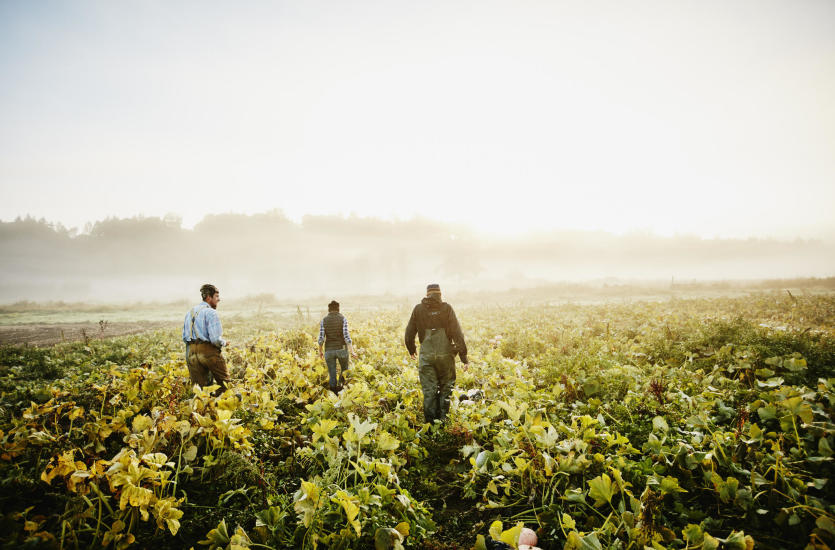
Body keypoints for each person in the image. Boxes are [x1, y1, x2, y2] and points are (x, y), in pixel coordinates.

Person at [405, 284, 469, 423]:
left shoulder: (418, 309)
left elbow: (409, 332)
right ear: (440, 294)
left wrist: (412, 349)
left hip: (426, 355)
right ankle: (443, 421)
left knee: (429, 391)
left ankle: (430, 425)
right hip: (445, 355)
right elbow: (457, 333)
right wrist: (464, 357)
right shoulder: (447, 309)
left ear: (427, 294)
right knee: (446, 389)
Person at [182, 284, 232, 393]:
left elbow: (184, 337)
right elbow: (214, 339)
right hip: (208, 351)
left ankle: (204, 409)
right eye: (217, 296)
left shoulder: (190, 312)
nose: (219, 299)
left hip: (191, 353)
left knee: (200, 391)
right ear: (209, 297)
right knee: (225, 385)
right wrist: (224, 342)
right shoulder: (211, 312)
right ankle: (222, 407)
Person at [318, 300, 357, 392]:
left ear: (329, 309)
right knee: (344, 371)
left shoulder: (324, 320)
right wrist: (352, 351)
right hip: (342, 349)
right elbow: (346, 336)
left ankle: (333, 393)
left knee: (332, 373)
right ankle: (341, 390)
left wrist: (320, 351)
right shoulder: (343, 318)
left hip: (329, 350)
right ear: (338, 309)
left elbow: (321, 338)